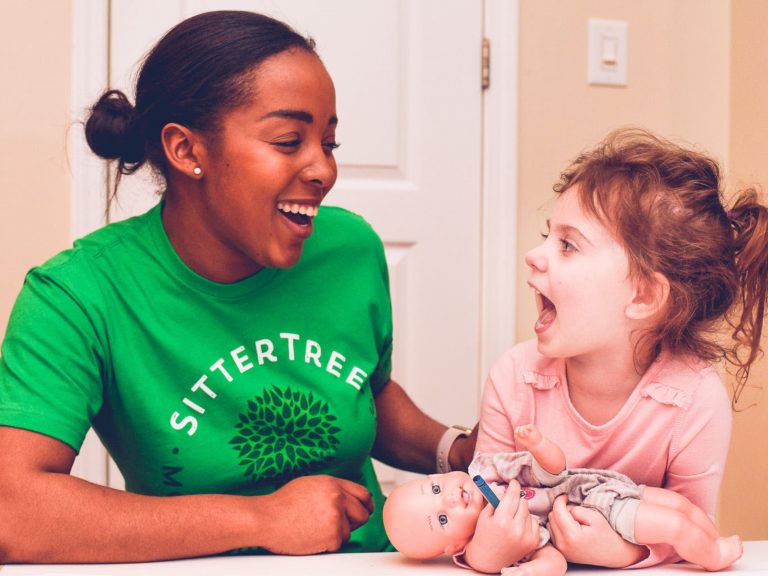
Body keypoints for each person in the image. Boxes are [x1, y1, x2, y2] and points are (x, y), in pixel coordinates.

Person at [0, 10, 476, 563]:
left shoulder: (350, 250)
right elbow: (13, 509)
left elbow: (364, 392)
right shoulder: (77, 295)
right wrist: (262, 518)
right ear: (186, 150)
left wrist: (459, 453)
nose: (322, 169)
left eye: (329, 142)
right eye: (289, 139)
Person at [474, 128, 768, 569]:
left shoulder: (693, 400)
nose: (535, 254)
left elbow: (694, 529)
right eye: (547, 234)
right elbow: (481, 502)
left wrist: (626, 551)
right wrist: (486, 549)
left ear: (645, 297)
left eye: (568, 244)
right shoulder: (515, 378)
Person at [383, 424, 743, 574]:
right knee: (675, 525)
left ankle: (710, 539)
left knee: (681, 507)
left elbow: (553, 472)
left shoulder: (487, 468)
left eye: (434, 488)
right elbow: (554, 559)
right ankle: (713, 557)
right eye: (442, 519)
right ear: (457, 544)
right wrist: (528, 569)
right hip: (600, 512)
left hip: (600, 484)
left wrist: (539, 447)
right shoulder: (504, 536)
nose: (448, 498)